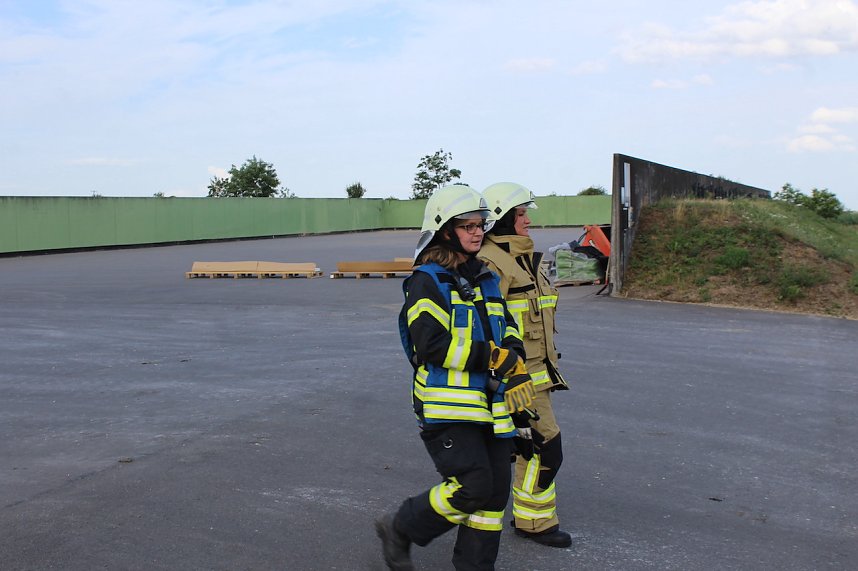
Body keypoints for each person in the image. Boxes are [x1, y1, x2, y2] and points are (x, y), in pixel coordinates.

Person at [376, 184, 537, 571]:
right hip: (447, 406)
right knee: (473, 485)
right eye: (467, 225)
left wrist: (513, 360)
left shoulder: (483, 276)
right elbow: (431, 344)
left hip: (490, 407)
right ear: (445, 229)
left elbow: (507, 326)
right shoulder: (426, 281)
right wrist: (493, 357)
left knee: (494, 497)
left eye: (480, 224)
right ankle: (400, 527)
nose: (477, 231)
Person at [477, 182, 573, 548]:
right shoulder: (492, 262)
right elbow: (486, 326)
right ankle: (534, 522)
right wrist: (501, 381)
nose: (528, 220)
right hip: (516, 379)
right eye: (521, 214)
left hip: (537, 376)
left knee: (528, 448)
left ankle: (531, 519)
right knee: (546, 446)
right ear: (501, 219)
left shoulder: (522, 258)